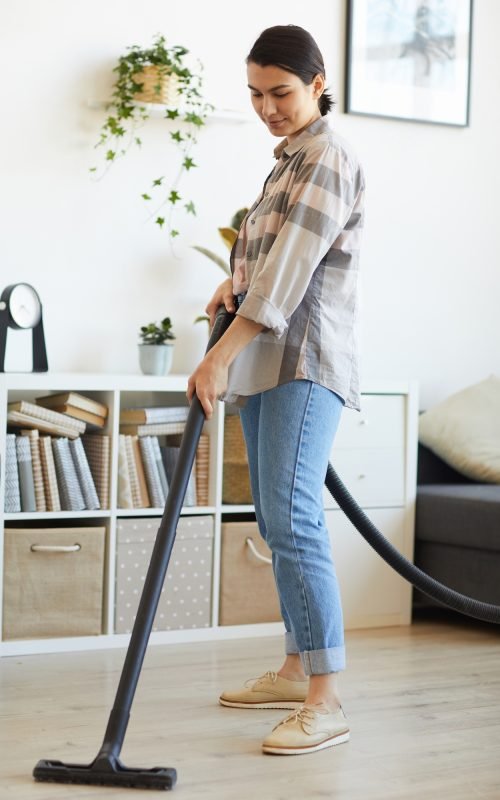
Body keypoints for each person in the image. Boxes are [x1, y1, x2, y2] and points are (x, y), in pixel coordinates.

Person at [187, 24, 365, 756]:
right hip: (268, 360)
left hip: (304, 363)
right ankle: (296, 669)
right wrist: (228, 286)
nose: (268, 107)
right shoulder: (284, 163)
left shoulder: (325, 158)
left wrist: (218, 358)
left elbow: (290, 280)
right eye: (256, 94)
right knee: (275, 520)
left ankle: (326, 699)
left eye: (281, 92)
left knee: (294, 520)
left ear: (318, 83)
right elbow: (265, 265)